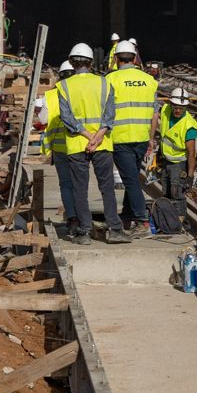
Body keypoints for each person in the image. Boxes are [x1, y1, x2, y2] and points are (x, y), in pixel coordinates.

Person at [55, 43, 130, 245]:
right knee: (107, 187)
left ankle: (84, 232)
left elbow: (67, 118)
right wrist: (97, 137)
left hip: (76, 145)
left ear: (72, 62)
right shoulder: (105, 83)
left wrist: (87, 136)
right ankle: (115, 230)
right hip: (102, 145)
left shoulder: (63, 86)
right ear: (91, 63)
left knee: (80, 189)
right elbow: (109, 115)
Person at [106, 39, 159, 234]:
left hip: (121, 138)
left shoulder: (111, 80)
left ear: (117, 58)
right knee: (132, 177)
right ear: (135, 58)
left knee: (131, 181)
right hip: (142, 137)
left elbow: (107, 110)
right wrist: (151, 138)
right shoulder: (149, 81)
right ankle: (128, 215)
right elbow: (155, 114)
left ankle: (142, 221)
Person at [37, 60, 77, 235]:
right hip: (80, 146)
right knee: (80, 184)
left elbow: (43, 121)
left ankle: (72, 219)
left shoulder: (51, 95)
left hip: (60, 149)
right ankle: (83, 218)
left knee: (66, 185)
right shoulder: (80, 94)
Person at [155, 87, 197, 222]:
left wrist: (190, 176)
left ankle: (180, 222)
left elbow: (191, 154)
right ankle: (168, 220)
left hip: (179, 164)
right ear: (171, 105)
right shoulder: (166, 110)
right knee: (166, 191)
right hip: (166, 159)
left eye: (181, 108)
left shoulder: (189, 126)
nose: (178, 110)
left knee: (177, 193)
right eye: (176, 107)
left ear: (186, 108)